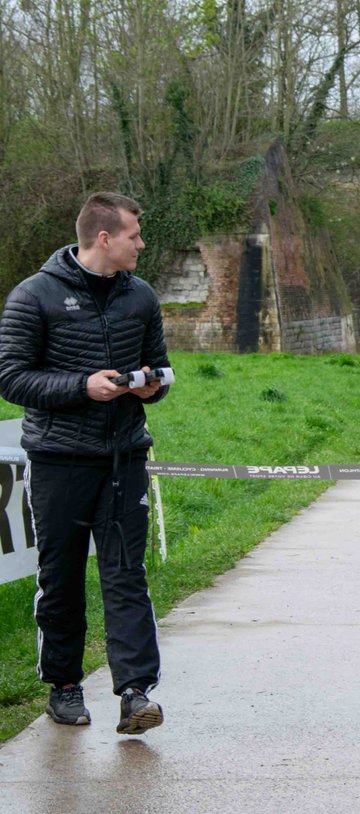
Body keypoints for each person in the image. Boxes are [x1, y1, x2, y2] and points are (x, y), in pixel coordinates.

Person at [0, 192, 171, 735]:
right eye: (134, 236)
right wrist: (82, 386)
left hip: (124, 457)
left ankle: (135, 692)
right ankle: (64, 687)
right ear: (104, 238)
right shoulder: (33, 295)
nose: (141, 244)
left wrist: (149, 387)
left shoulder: (141, 296)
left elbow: (162, 368)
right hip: (58, 461)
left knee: (126, 575)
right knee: (62, 578)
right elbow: (10, 377)